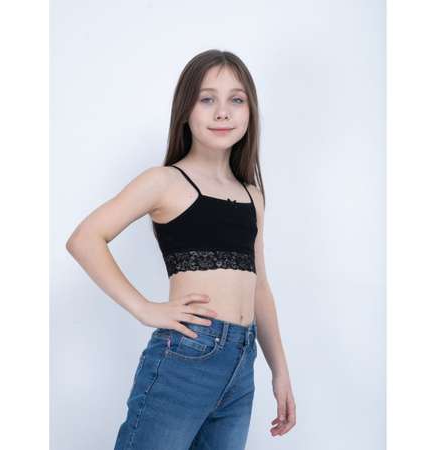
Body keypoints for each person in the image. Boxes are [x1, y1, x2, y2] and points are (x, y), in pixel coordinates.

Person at [66, 49, 296, 450]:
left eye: (236, 99)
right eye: (207, 99)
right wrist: (144, 308)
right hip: (186, 356)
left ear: (250, 111)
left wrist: (280, 371)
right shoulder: (165, 182)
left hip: (242, 366)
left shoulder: (252, 195)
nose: (222, 112)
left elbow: (259, 286)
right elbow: (85, 238)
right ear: (185, 109)